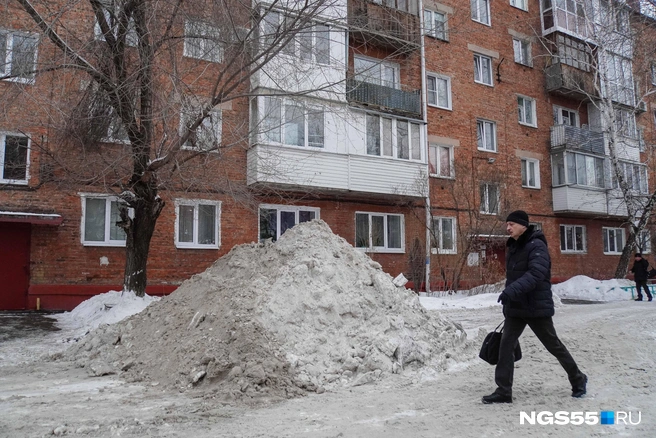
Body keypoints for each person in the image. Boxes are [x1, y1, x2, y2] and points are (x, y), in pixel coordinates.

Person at [482, 210, 587, 404]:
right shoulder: (514, 246)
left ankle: (578, 378)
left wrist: (511, 291)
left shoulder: (537, 246)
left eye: (512, 224)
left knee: (553, 345)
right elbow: (514, 276)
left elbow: (535, 274)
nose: (508, 228)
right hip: (516, 307)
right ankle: (504, 390)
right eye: (507, 224)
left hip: (535, 306)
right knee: (505, 346)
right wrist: (508, 300)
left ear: (523, 225)